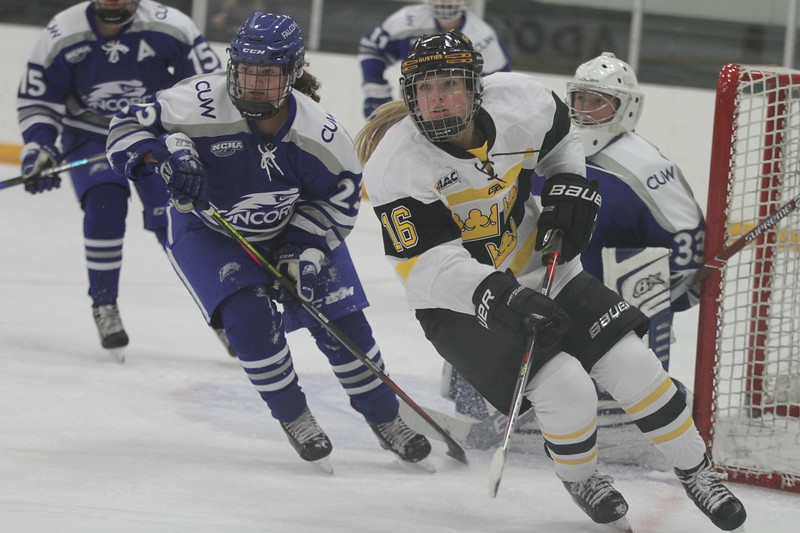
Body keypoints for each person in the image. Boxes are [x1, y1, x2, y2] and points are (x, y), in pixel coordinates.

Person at [355, 31, 746, 531]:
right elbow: (426, 267)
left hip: (542, 267)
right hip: (460, 305)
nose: (438, 100)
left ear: (477, 88)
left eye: (451, 85)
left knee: (634, 364)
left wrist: (569, 188)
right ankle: (582, 477)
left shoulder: (522, 100)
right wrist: (499, 295)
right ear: (410, 95)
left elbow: (562, 144)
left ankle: (697, 470)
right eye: (426, 89)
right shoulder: (397, 164)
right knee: (566, 389)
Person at [106, 12, 431, 469]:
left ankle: (385, 418)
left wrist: (304, 251)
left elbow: (338, 202)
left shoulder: (320, 134)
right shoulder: (193, 103)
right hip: (211, 232)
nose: (254, 84)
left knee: (342, 321)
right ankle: (294, 416)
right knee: (249, 319)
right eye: (247, 71)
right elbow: (123, 130)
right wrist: (164, 159)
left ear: (293, 73)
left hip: (291, 233)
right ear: (232, 66)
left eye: (268, 74)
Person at [16, 0, 223, 352]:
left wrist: (190, 141)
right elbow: (40, 98)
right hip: (90, 134)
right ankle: (104, 304)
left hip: (153, 136)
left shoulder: (173, 27)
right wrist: (40, 146)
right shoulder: (61, 32)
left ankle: (224, 311)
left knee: (175, 217)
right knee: (105, 202)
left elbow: (209, 89)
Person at [560, 51, 705, 373]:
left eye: (597, 101)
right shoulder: (553, 147)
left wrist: (660, 304)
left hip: (613, 318)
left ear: (626, 107)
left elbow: (686, 241)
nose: (583, 109)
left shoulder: (647, 167)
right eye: (579, 98)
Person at [358, 0, 510, 119]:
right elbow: (372, 48)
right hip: (411, 115)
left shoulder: (483, 37)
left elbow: (499, 87)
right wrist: (375, 92)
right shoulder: (407, 21)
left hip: (460, 120)